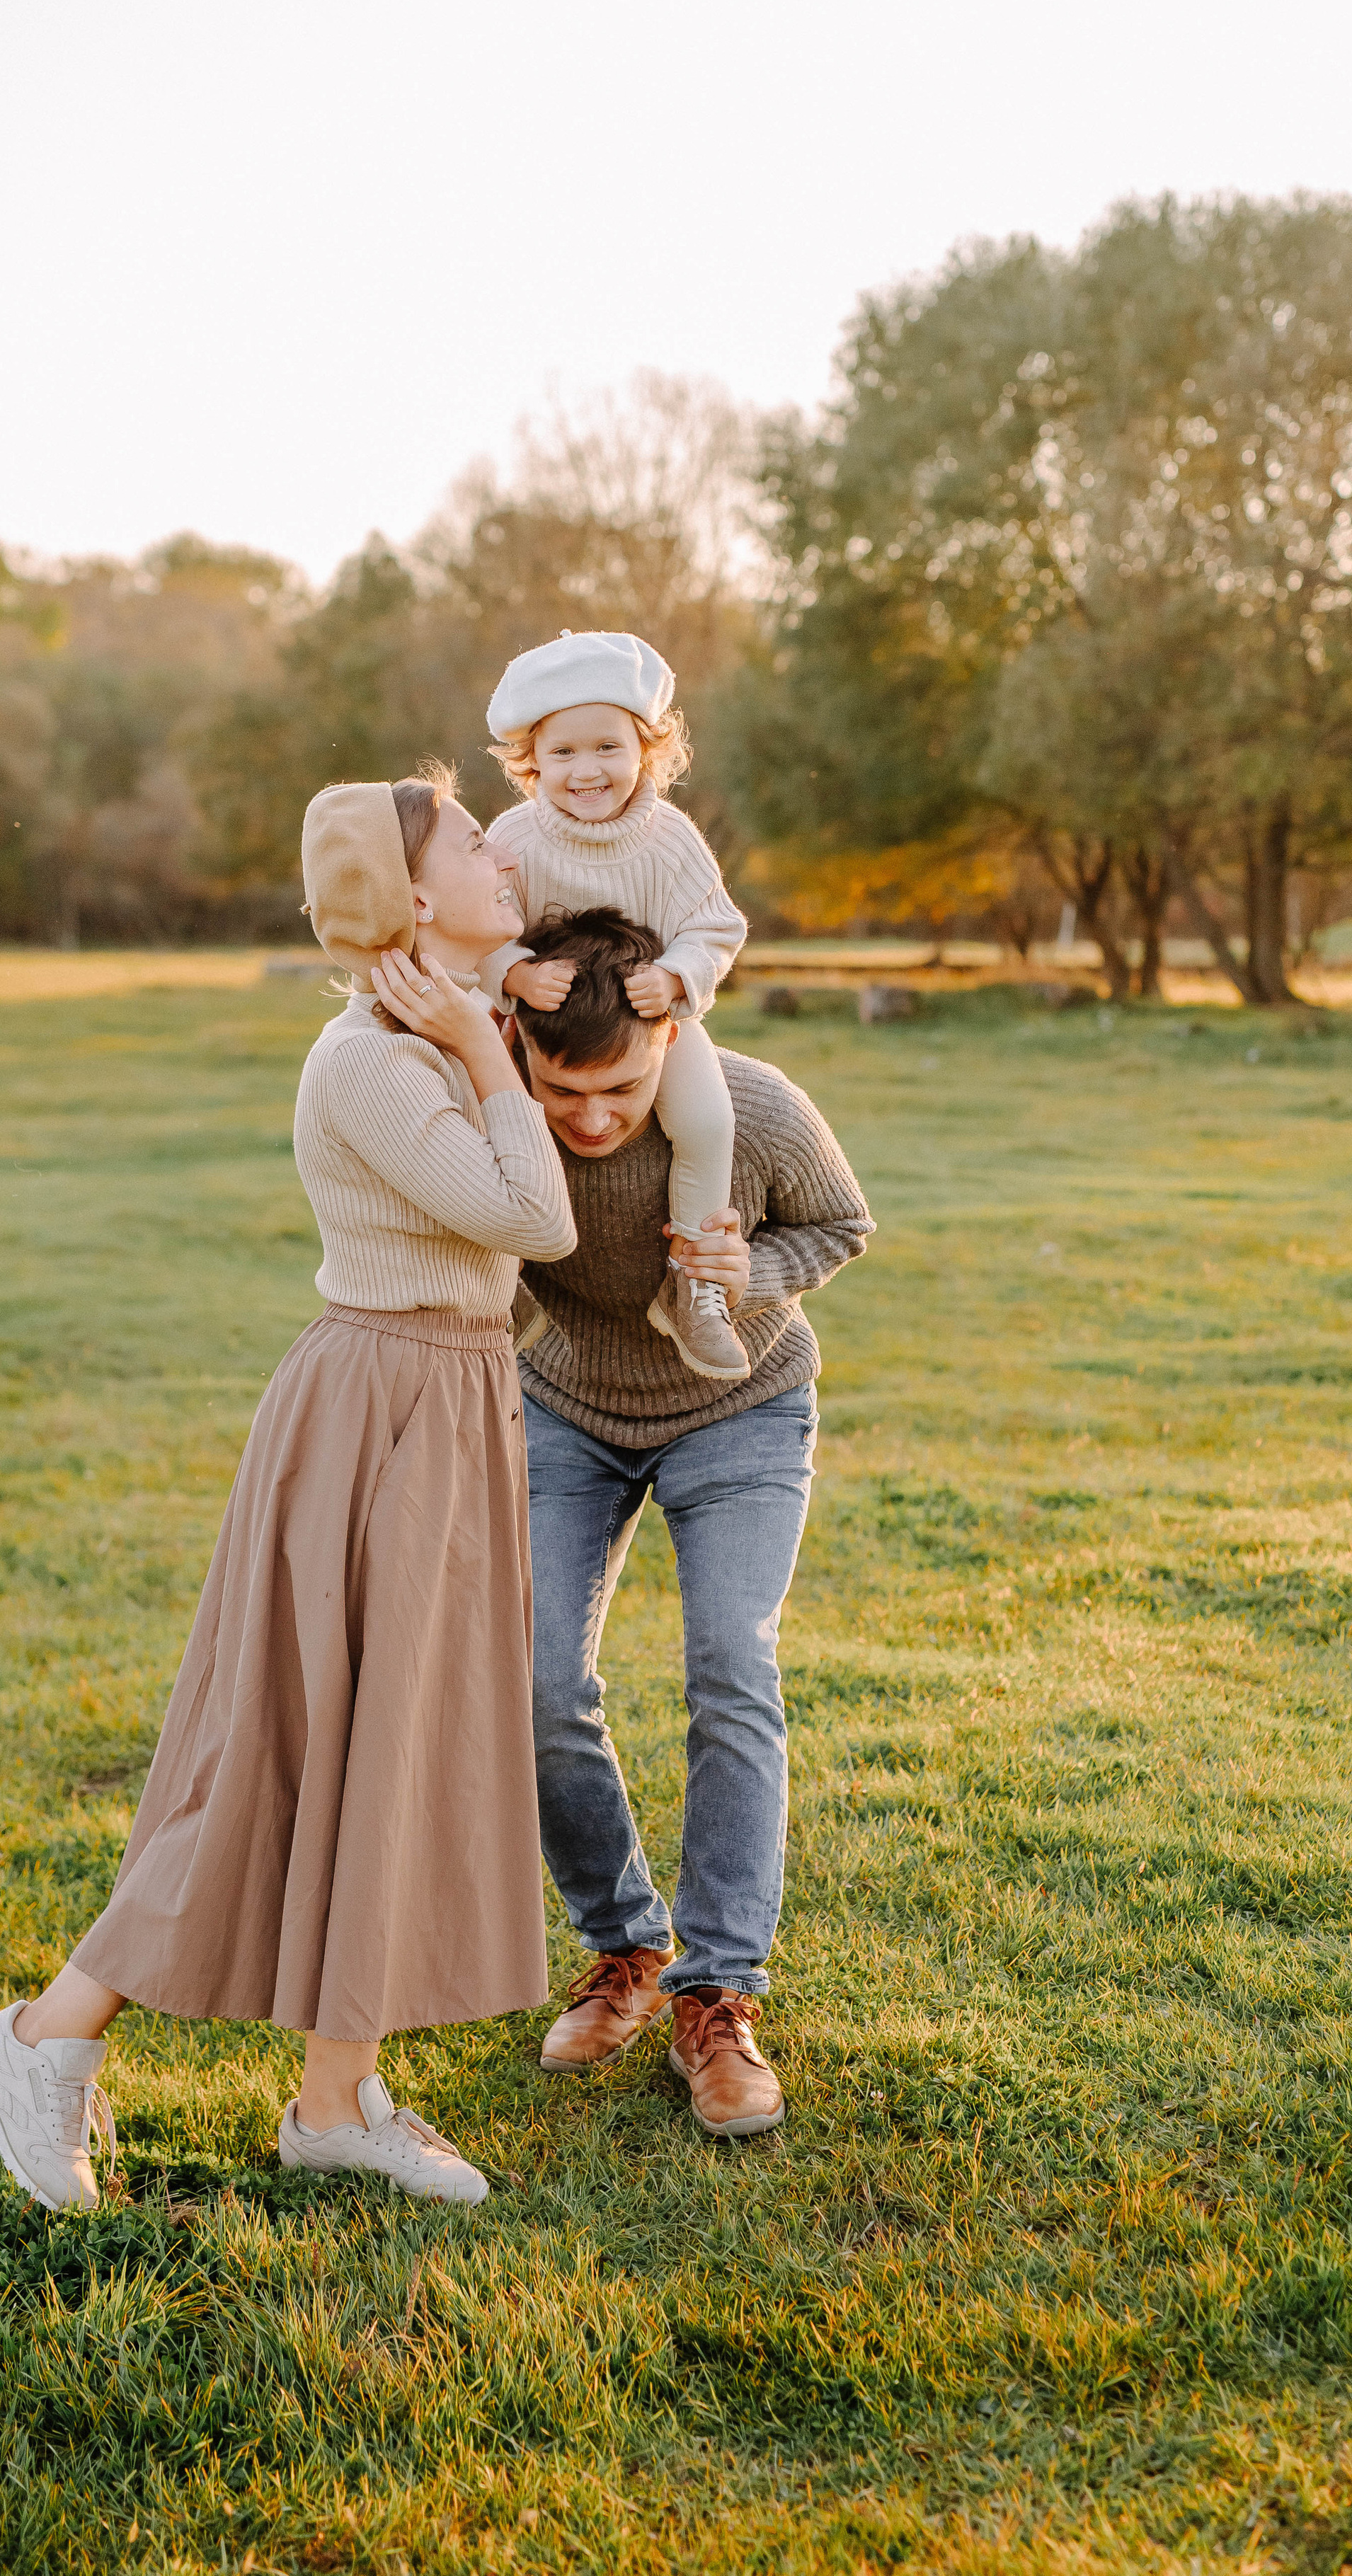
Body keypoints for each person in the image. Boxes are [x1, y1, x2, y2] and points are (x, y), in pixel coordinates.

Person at [0, 773, 576, 2212]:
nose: (501, 849)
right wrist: (479, 1048)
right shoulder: (374, 1062)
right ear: (411, 895)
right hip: (375, 1414)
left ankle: (335, 2100)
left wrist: (484, 1037)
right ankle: (39, 2040)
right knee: (277, 1751)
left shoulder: (437, 1036)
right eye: (471, 838)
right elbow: (531, 1219)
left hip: (448, 1403)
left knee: (394, 1749)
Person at [505, 909, 874, 2137]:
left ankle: (718, 1994)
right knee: (538, 1678)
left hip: (740, 1409)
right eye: (564, 1090)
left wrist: (748, 1274)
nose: (591, 1119)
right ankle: (625, 1948)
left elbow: (842, 1224)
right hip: (568, 1408)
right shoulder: (495, 1114)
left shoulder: (754, 1110)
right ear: (522, 1046)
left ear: (670, 1037)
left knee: (729, 1661)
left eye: (619, 1089)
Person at [481, 629, 750, 1383]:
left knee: (708, 1122)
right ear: (532, 760)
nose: (586, 769)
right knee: (485, 1119)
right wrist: (513, 973)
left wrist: (675, 977)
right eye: (563, 752)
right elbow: (477, 927)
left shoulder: (671, 840)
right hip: (538, 1032)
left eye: (607, 746)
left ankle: (693, 1284)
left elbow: (715, 926)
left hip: (649, 1031)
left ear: (647, 750)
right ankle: (499, 1282)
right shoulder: (513, 838)